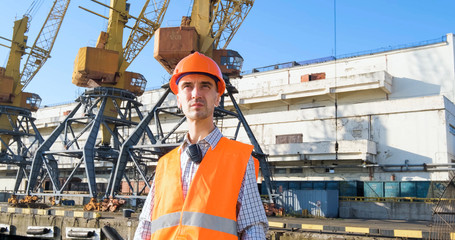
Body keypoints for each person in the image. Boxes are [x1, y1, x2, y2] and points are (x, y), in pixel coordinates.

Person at [134, 52, 268, 240]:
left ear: (217, 98)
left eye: (205, 86)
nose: (196, 93)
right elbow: (146, 227)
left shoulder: (239, 159)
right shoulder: (164, 165)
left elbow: (252, 229)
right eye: (187, 86)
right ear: (179, 99)